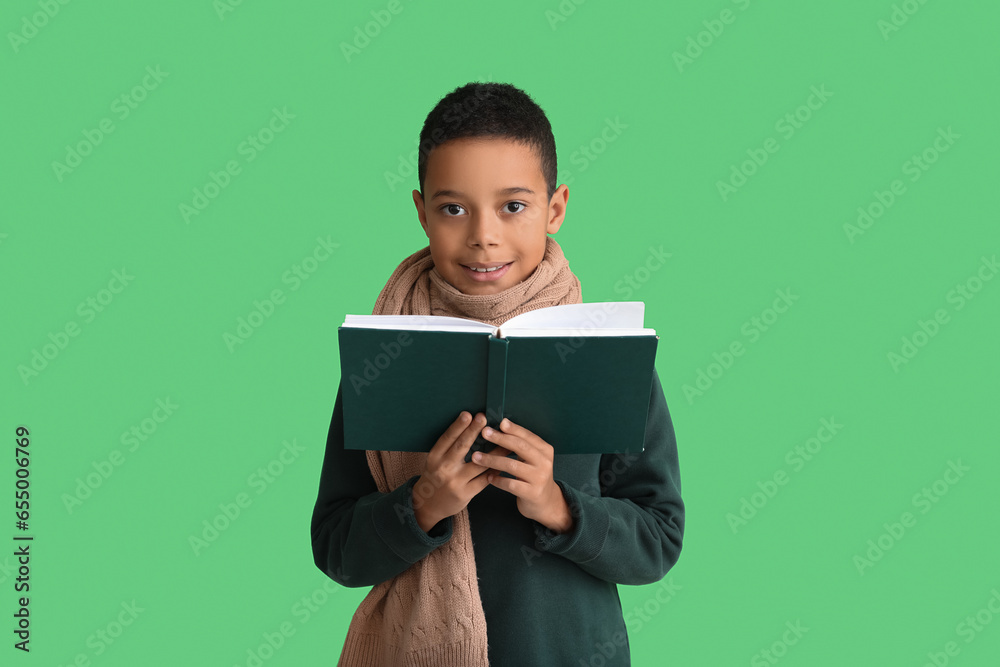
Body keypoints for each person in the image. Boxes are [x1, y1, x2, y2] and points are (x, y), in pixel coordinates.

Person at [310, 81, 684, 666]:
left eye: (513, 206)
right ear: (421, 211)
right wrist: (423, 504)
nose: (484, 236)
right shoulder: (386, 350)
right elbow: (335, 548)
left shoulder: (604, 352)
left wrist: (559, 507)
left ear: (555, 208)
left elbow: (658, 539)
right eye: (453, 208)